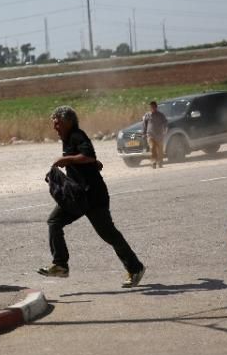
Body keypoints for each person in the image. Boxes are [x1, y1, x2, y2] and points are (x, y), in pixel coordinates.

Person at [39, 106, 146, 288]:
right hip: (79, 195)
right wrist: (90, 163)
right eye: (54, 124)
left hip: (94, 196)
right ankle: (61, 265)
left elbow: (88, 154)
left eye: (58, 124)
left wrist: (68, 160)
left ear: (68, 122)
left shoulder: (76, 135)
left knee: (109, 234)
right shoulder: (68, 139)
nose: (55, 127)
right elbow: (88, 158)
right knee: (54, 221)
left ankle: (135, 268)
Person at [142, 100, 168, 168]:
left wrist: (165, 129)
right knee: (152, 147)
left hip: (159, 135)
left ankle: (160, 162)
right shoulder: (147, 115)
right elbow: (144, 124)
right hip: (150, 135)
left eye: (153, 107)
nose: (152, 108)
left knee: (160, 150)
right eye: (151, 107)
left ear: (156, 107)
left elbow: (165, 122)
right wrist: (144, 133)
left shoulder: (160, 115)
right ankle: (153, 162)